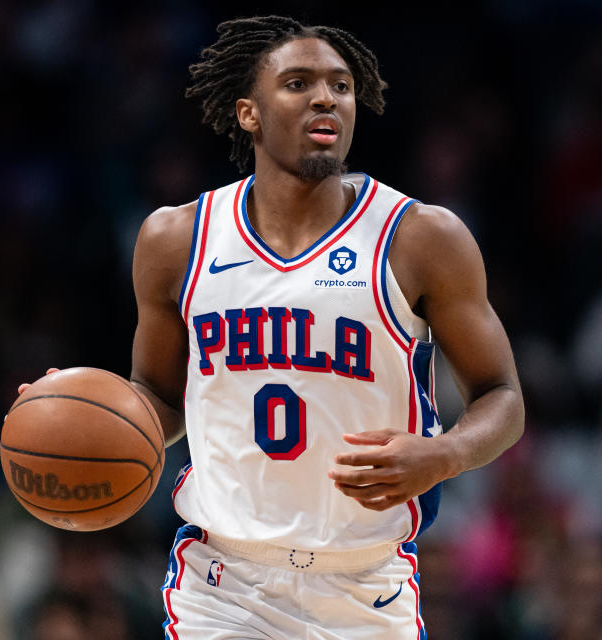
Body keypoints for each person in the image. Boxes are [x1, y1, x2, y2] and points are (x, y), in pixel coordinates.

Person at [27, 15, 524, 638]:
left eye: (341, 86)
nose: (326, 98)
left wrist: (446, 453)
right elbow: (157, 398)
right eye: (298, 83)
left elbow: (503, 396)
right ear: (248, 114)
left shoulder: (422, 238)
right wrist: (74, 409)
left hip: (366, 584)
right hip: (224, 583)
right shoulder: (176, 239)